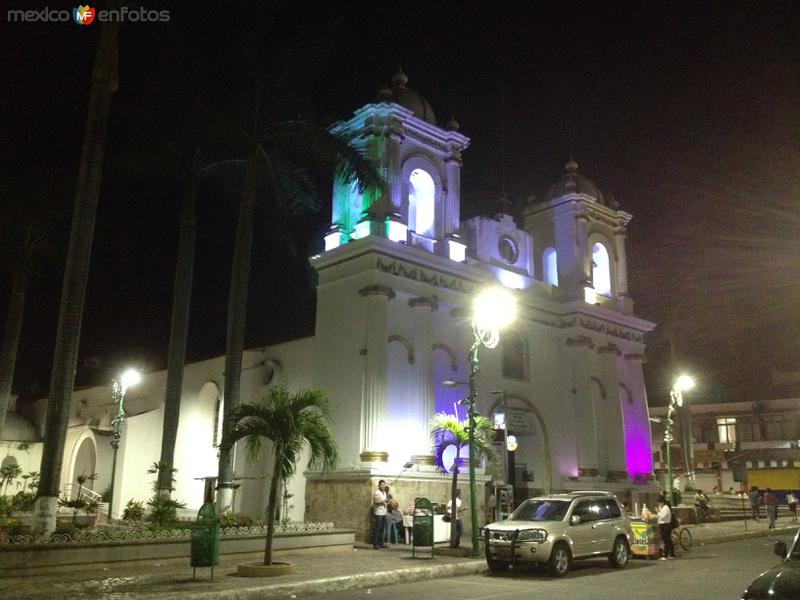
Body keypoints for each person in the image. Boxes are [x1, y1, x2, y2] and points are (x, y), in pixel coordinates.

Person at [371, 479, 388, 549]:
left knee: (382, 529)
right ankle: (375, 544)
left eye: (384, 484)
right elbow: (375, 501)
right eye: (381, 484)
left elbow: (385, 503)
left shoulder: (385, 493)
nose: (383, 486)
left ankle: (381, 543)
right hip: (378, 513)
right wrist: (383, 501)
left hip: (383, 513)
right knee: (377, 529)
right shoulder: (377, 492)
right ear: (379, 485)